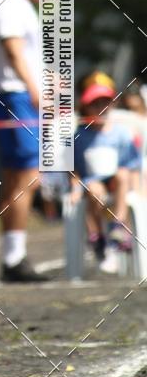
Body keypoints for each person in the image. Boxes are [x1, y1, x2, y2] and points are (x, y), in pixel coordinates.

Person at [0, 0, 49, 282]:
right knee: (26, 177)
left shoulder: (22, 6)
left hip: (18, 95)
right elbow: (13, 51)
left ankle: (13, 257)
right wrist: (35, 89)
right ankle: (15, 258)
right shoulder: (10, 5)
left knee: (17, 179)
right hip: (17, 97)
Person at [73, 77, 140, 274]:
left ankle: (118, 227)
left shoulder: (121, 133)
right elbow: (73, 168)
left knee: (122, 174)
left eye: (104, 102)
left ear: (112, 104)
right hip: (91, 180)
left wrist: (138, 190)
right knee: (94, 191)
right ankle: (98, 237)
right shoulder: (80, 135)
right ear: (86, 107)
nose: (100, 107)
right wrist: (75, 187)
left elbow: (132, 165)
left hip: (116, 181)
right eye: (95, 103)